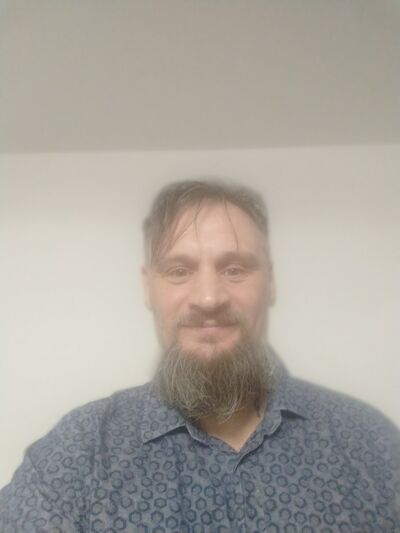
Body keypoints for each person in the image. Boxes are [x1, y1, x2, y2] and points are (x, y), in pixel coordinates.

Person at [0, 179, 399, 532]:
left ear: (272, 282)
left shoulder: (371, 444)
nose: (209, 298)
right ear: (147, 288)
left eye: (235, 269)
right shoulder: (76, 455)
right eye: (179, 271)